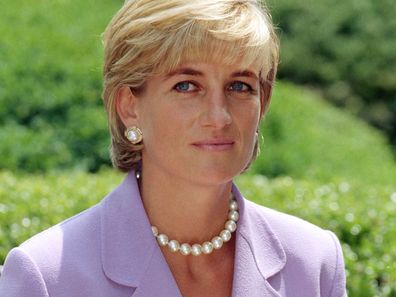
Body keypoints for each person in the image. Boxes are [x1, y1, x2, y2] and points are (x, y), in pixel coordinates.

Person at [0, 0, 347, 296]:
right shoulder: (46, 277)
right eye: (186, 86)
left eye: (240, 86)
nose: (219, 116)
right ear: (129, 106)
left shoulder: (315, 264)